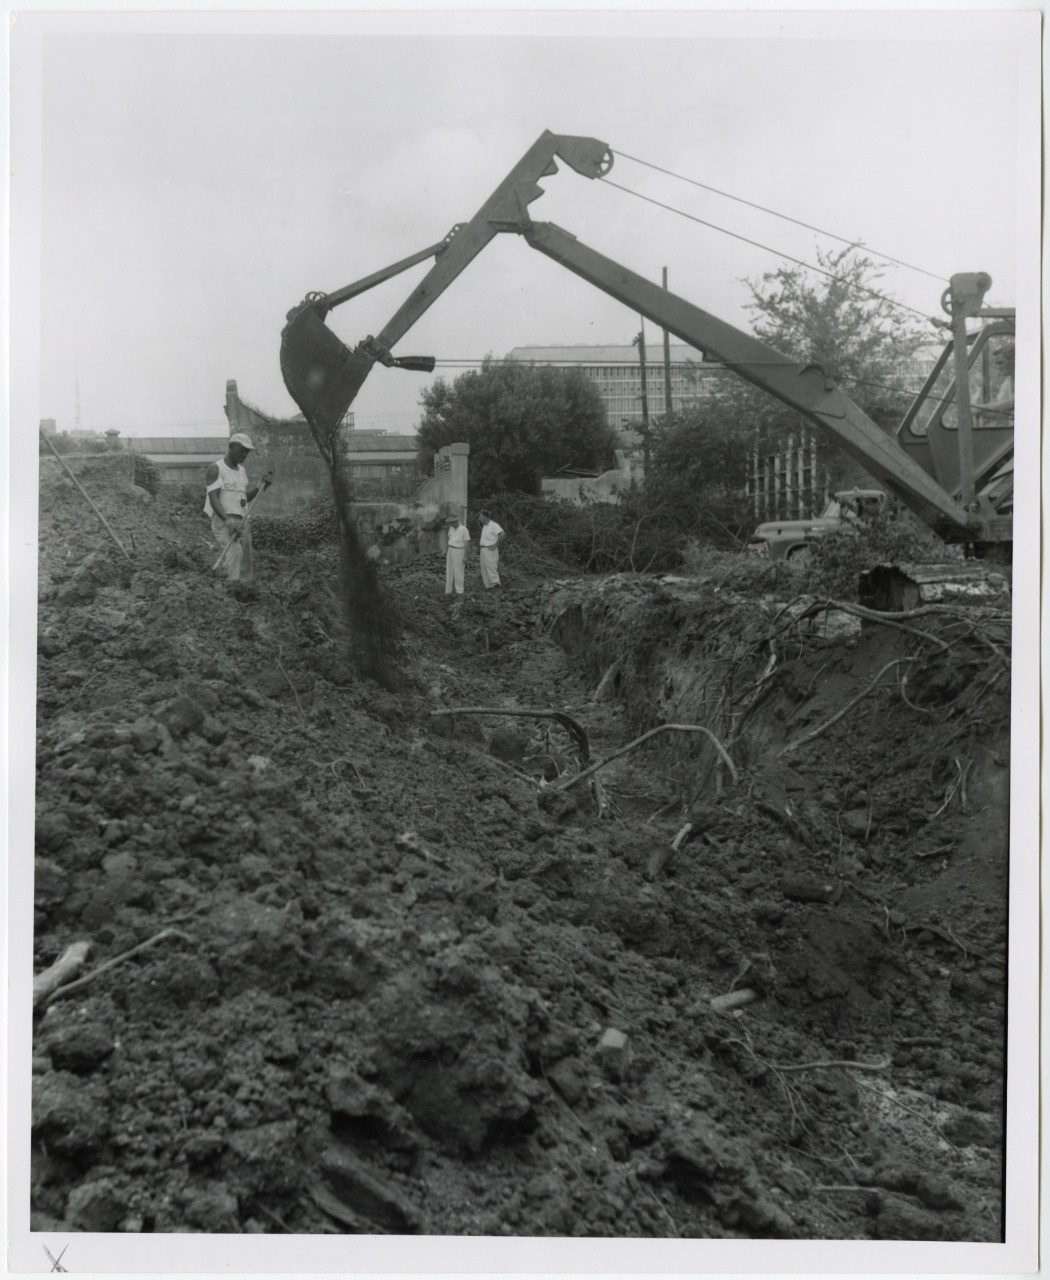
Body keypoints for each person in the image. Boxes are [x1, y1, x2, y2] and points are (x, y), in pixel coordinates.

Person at [204, 433, 272, 582]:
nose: (244, 454)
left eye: (247, 452)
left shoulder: (241, 471)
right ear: (231, 447)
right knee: (235, 552)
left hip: (242, 521)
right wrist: (227, 520)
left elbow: (243, 499)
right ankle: (230, 590)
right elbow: (213, 498)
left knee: (246, 559)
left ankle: (244, 590)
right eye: (241, 450)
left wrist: (261, 485)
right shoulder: (216, 468)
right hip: (224, 520)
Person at [478, 509, 505, 589]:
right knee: (484, 568)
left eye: (481, 517)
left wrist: (495, 545)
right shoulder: (485, 526)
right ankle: (489, 586)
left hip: (490, 549)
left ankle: (496, 584)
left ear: (486, 517)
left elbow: (502, 534)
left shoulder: (494, 525)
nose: (479, 519)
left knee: (491, 566)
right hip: (483, 549)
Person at [445, 512, 470, 596]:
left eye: (451, 523)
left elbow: (466, 543)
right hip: (450, 550)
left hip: (459, 551)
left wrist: (465, 556)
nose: (450, 524)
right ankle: (448, 590)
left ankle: (459, 591)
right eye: (450, 523)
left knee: (458, 571)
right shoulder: (451, 528)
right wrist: (446, 549)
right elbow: (449, 538)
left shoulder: (464, 529)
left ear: (456, 521)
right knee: (449, 570)